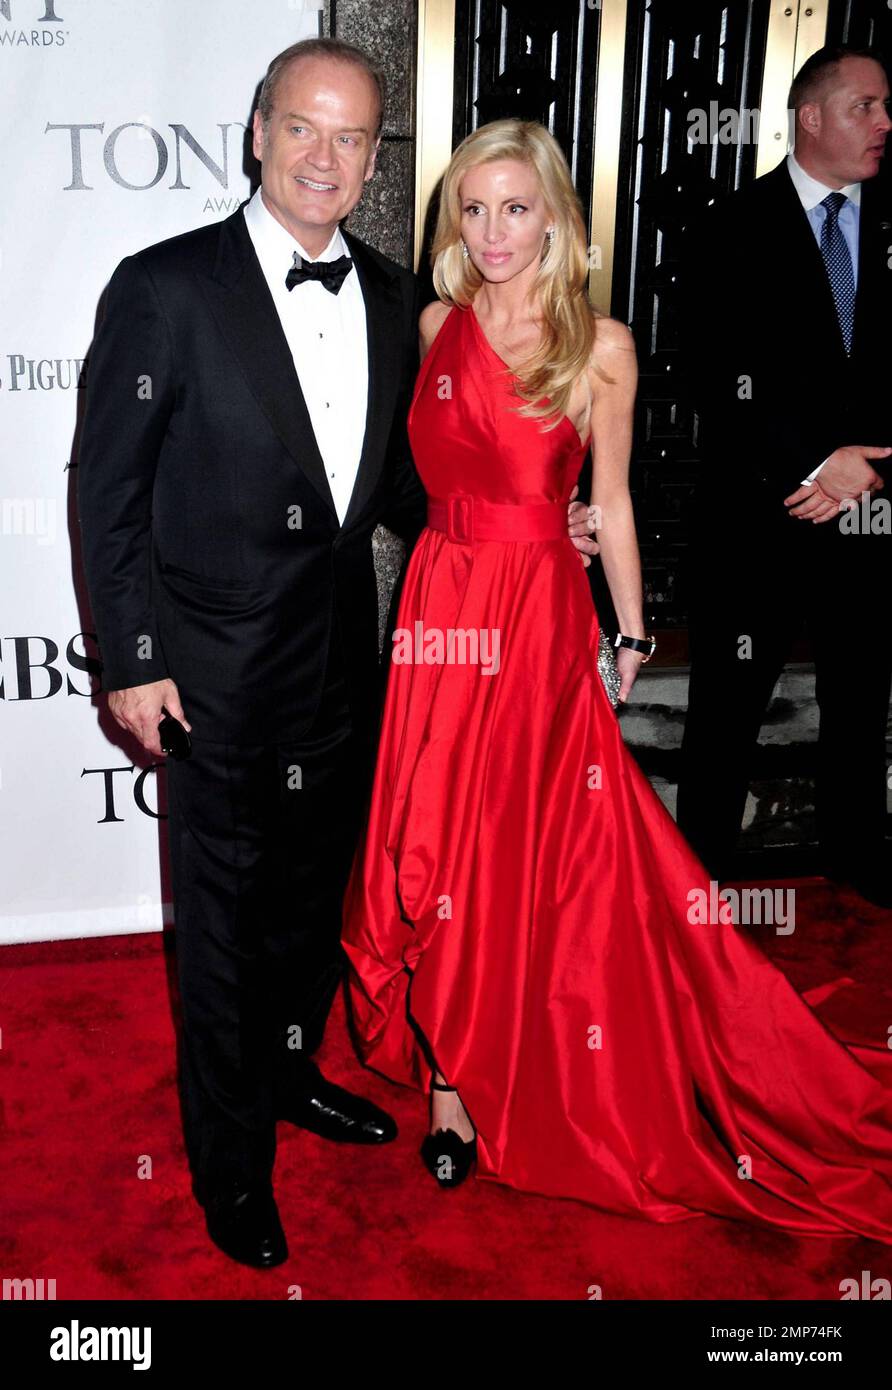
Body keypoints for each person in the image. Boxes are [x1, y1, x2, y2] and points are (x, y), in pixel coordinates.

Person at [76, 38, 596, 1269]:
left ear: (375, 159)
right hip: (203, 678)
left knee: (312, 909)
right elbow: (108, 494)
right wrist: (132, 657)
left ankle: (294, 1074)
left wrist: (535, 523)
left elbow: (413, 488)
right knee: (222, 925)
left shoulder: (395, 298)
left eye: (351, 137)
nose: (324, 156)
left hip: (349, 670)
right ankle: (228, 1166)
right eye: (302, 128)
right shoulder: (164, 287)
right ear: (257, 131)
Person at [340, 117, 892, 1244]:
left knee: (511, 851)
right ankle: (451, 1076)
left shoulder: (599, 343)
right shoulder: (432, 322)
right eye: (475, 209)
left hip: (539, 614)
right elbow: (399, 470)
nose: (494, 231)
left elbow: (618, 497)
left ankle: (490, 1070)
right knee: (432, 837)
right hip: (441, 605)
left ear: (555, 215)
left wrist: (630, 631)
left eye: (517, 207)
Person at [676, 46, 892, 903]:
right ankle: (698, 883)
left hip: (874, 516)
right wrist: (813, 462)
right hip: (756, 521)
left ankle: (857, 862)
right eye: (867, 107)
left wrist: (865, 474)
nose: (885, 124)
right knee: (723, 716)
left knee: (860, 702)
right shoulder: (730, 226)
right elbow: (711, 375)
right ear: (812, 116)